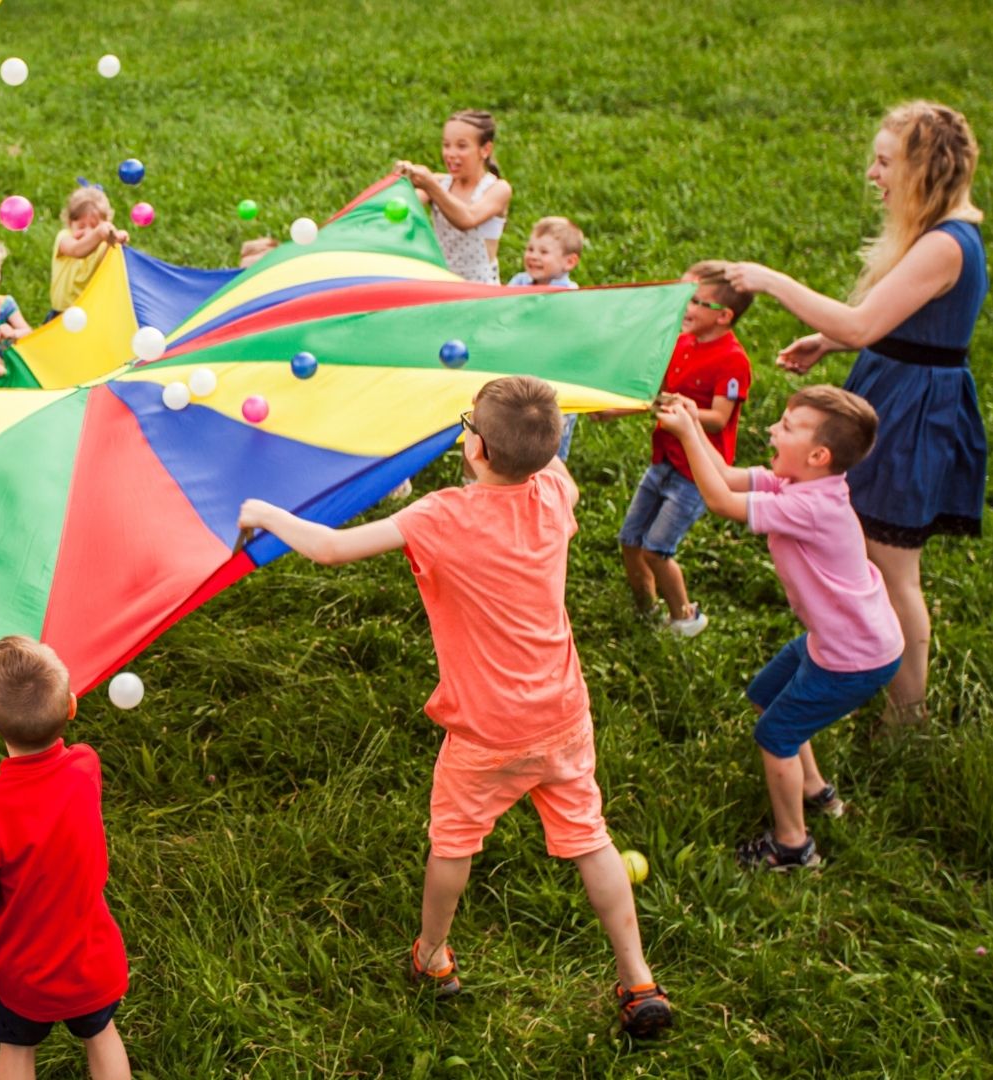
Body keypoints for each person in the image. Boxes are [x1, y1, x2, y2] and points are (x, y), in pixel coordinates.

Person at [236, 377, 673, 1037]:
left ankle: (434, 955)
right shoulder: (556, 493)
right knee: (591, 839)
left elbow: (328, 549)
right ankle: (637, 977)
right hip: (561, 714)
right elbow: (550, 463)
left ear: (475, 449)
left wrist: (262, 513)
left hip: (487, 730)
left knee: (455, 841)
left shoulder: (441, 515)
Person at [723, 101, 986, 730]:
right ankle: (865, 666)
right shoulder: (937, 232)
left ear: (925, 168)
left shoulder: (947, 243)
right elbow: (899, 324)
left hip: (913, 412)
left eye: (886, 161)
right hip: (894, 389)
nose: (874, 173)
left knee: (894, 567)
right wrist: (834, 344)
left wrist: (772, 281)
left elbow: (865, 319)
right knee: (870, 550)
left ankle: (907, 717)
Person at [656, 387, 902, 869]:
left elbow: (722, 501)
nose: (771, 429)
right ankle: (815, 790)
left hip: (853, 657)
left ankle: (792, 846)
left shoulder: (813, 508)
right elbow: (726, 476)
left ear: (819, 454)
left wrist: (687, 433)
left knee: (775, 736)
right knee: (767, 695)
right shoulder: (802, 484)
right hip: (839, 640)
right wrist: (692, 422)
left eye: (786, 426)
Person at [0, 637, 133, 1079]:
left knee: (16, 1046)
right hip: (92, 962)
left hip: (25, 972)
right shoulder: (86, 766)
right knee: (101, 1033)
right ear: (71, 707)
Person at [605, 262, 754, 637]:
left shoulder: (733, 360)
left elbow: (720, 418)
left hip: (696, 473)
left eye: (696, 302)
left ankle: (684, 618)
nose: (686, 308)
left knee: (656, 549)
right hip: (664, 460)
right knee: (630, 540)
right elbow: (659, 397)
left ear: (723, 316)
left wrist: (685, 410)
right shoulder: (682, 343)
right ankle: (646, 613)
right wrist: (617, 407)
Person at [396, 109, 513, 284]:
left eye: (461, 146)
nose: (450, 153)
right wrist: (400, 182)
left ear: (485, 150)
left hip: (481, 292)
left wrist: (429, 184)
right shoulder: (439, 184)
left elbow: (467, 219)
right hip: (444, 284)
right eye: (446, 145)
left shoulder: (497, 189)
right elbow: (403, 206)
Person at [508, 217, 586, 458]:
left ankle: (550, 476)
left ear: (569, 261)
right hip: (520, 373)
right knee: (513, 431)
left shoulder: (570, 295)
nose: (533, 256)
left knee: (549, 437)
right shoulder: (520, 282)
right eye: (530, 249)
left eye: (543, 251)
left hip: (556, 382)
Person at [52, 186, 127, 314]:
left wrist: (118, 239)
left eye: (94, 226)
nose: (87, 232)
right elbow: (77, 251)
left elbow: (109, 265)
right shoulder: (64, 238)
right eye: (81, 226)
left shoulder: (103, 246)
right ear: (70, 223)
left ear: (106, 222)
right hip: (60, 314)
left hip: (89, 314)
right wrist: (98, 233)